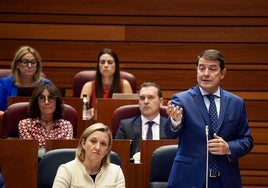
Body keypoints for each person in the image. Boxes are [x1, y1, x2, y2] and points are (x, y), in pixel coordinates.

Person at [164, 49, 254, 188]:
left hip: (224, 180)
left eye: (212, 69)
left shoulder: (236, 103)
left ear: (222, 73)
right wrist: (175, 121)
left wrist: (229, 147)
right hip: (189, 179)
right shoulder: (182, 100)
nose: (206, 74)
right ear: (197, 71)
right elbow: (169, 133)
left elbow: (247, 140)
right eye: (202, 68)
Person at [53, 122, 125, 187]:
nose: (97, 147)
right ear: (83, 143)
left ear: (107, 150)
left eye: (103, 144)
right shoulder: (66, 170)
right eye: (93, 141)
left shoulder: (116, 172)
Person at [115, 82, 173, 161]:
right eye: (142, 98)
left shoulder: (171, 126)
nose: (145, 101)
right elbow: (118, 156)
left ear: (161, 102)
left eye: (151, 97)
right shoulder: (126, 126)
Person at [18, 82, 73, 156]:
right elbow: (30, 152)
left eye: (51, 98)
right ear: (36, 102)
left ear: (57, 101)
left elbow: (64, 153)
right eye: (42, 98)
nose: (46, 102)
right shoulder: (25, 124)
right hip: (34, 165)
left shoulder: (66, 125)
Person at [80, 48, 133, 117]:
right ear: (98, 66)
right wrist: (89, 112)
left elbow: (130, 113)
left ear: (116, 66)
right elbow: (83, 113)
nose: (105, 65)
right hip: (95, 125)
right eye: (102, 62)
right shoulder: (88, 87)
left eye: (110, 62)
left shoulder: (125, 85)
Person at [0, 45, 50, 116]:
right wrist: (9, 117)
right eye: (25, 62)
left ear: (37, 65)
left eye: (33, 62)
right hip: (12, 123)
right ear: (17, 64)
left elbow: (55, 109)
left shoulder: (46, 84)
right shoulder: (4, 84)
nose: (29, 66)